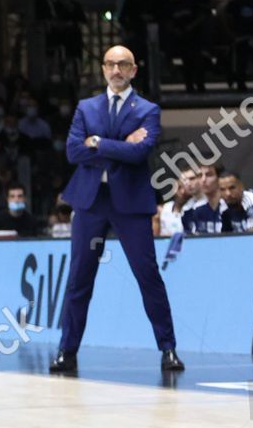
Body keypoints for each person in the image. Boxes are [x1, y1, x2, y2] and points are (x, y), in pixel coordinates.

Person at [50, 45, 184, 374]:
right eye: (110, 64)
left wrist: (97, 142)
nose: (116, 70)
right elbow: (73, 152)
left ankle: (168, 349)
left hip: (131, 202)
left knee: (147, 275)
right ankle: (67, 351)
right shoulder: (86, 106)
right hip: (91, 201)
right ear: (102, 69)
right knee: (79, 278)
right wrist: (121, 144)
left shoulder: (148, 109)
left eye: (123, 64)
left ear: (134, 70)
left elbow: (141, 154)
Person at [154, 169, 199, 237]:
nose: (182, 191)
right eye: (179, 187)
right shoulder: (162, 210)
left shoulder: (196, 209)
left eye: (192, 179)